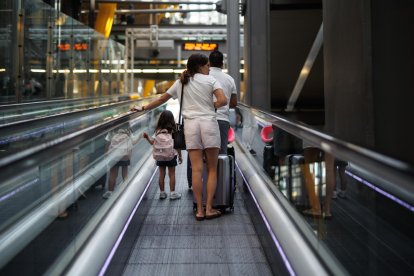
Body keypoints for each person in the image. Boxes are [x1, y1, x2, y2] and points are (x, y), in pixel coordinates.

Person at [131, 53, 227, 221]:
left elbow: (162, 99)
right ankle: (209, 208)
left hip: (190, 126)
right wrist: (211, 105)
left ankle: (199, 210)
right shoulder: (211, 80)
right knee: (212, 169)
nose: (209, 69)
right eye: (207, 66)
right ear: (200, 67)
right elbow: (223, 100)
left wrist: (143, 108)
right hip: (209, 124)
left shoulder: (180, 83)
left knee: (196, 169)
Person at [143, 110, 183, 200]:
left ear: (161, 119)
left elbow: (152, 143)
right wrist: (180, 156)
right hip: (171, 155)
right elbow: (177, 145)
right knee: (172, 174)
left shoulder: (158, 130)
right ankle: (172, 193)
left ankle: (162, 193)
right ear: (171, 119)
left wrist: (147, 138)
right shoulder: (173, 130)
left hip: (160, 155)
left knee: (161, 174)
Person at [208, 50, 238, 154]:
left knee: (204, 155)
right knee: (221, 153)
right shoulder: (230, 79)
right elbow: (234, 103)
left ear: (209, 62)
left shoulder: (203, 78)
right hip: (222, 120)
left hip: (204, 120)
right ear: (222, 63)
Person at [103, 127, 139, 199]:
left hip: (113, 155)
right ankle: (126, 190)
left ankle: (110, 192)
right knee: (124, 173)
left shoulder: (112, 130)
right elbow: (132, 142)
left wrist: (106, 154)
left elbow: (107, 142)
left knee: (113, 174)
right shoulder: (128, 130)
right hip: (124, 155)